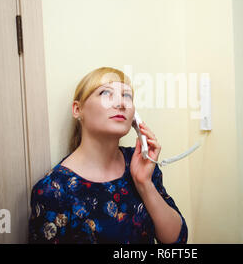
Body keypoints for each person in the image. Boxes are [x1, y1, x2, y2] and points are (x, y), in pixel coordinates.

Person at [28, 67, 188, 244]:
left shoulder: (140, 163)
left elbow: (177, 241)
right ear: (77, 109)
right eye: (106, 93)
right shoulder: (53, 190)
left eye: (127, 96)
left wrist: (144, 183)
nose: (121, 103)